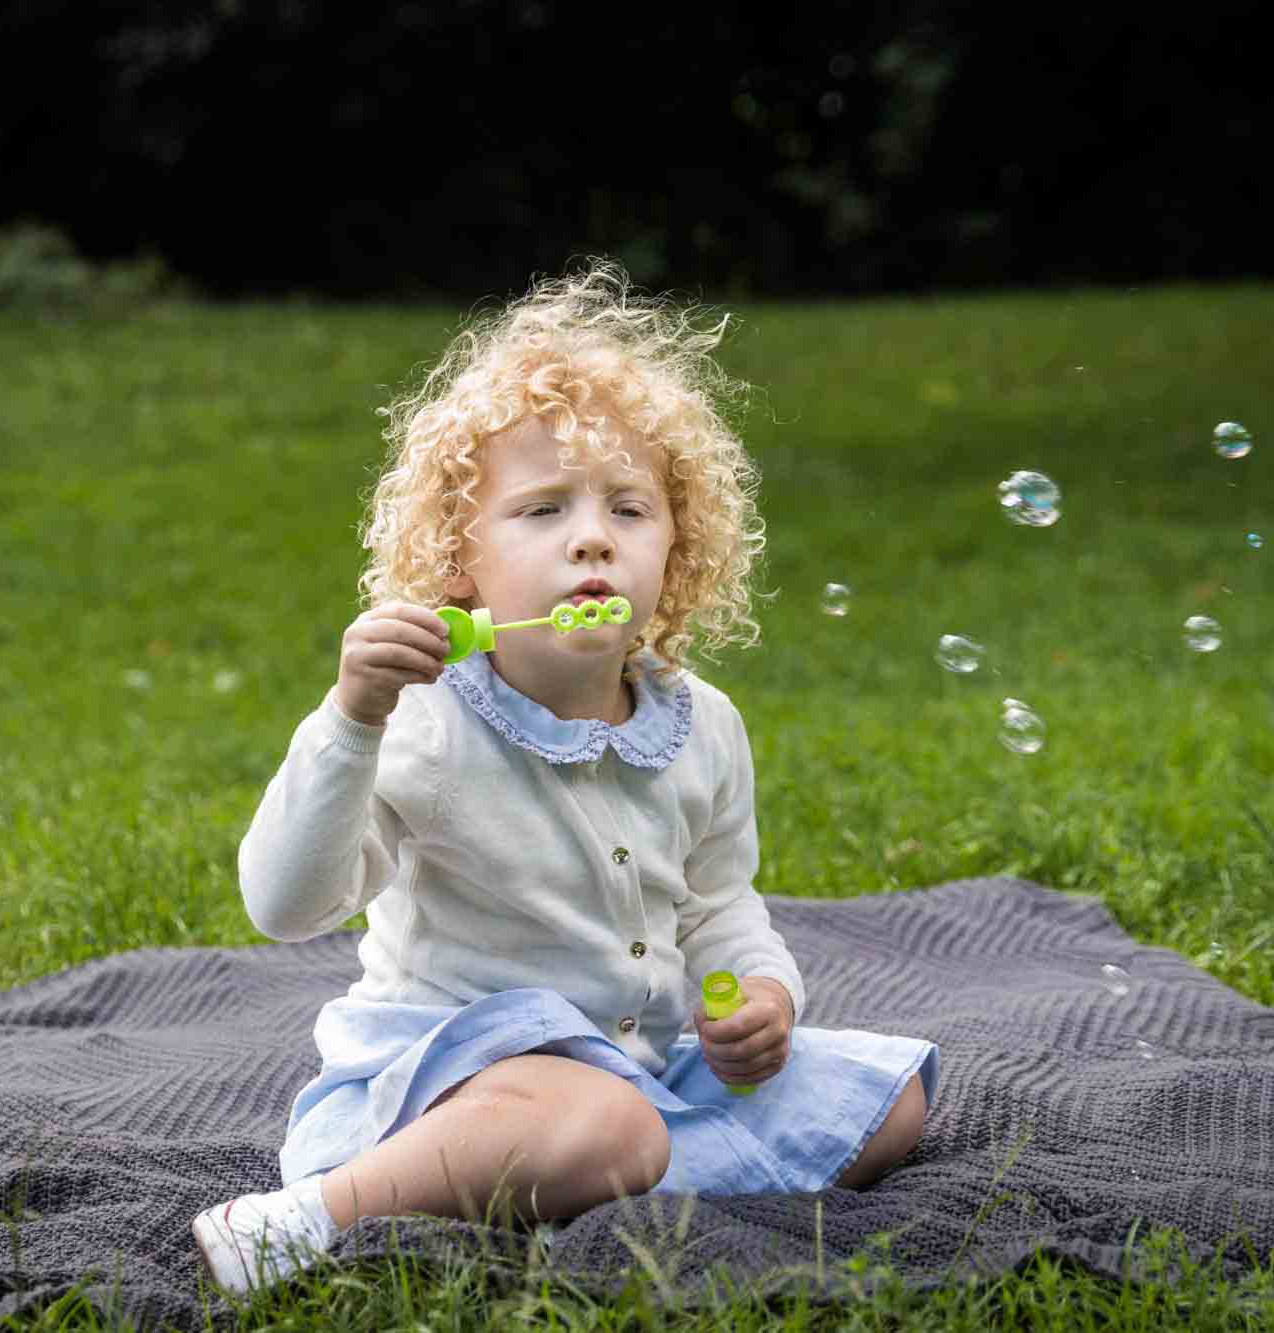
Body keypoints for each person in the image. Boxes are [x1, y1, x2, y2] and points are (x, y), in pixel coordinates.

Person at [193, 258, 939, 1293]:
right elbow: (284, 906)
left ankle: (573, 1186)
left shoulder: (702, 725)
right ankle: (310, 1216)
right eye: (543, 511)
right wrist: (350, 718)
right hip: (449, 1088)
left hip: (644, 1070)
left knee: (885, 1098)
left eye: (627, 509)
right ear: (460, 562)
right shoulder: (423, 721)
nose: (591, 533)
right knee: (595, 1119)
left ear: (677, 552)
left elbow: (719, 907)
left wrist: (760, 994)